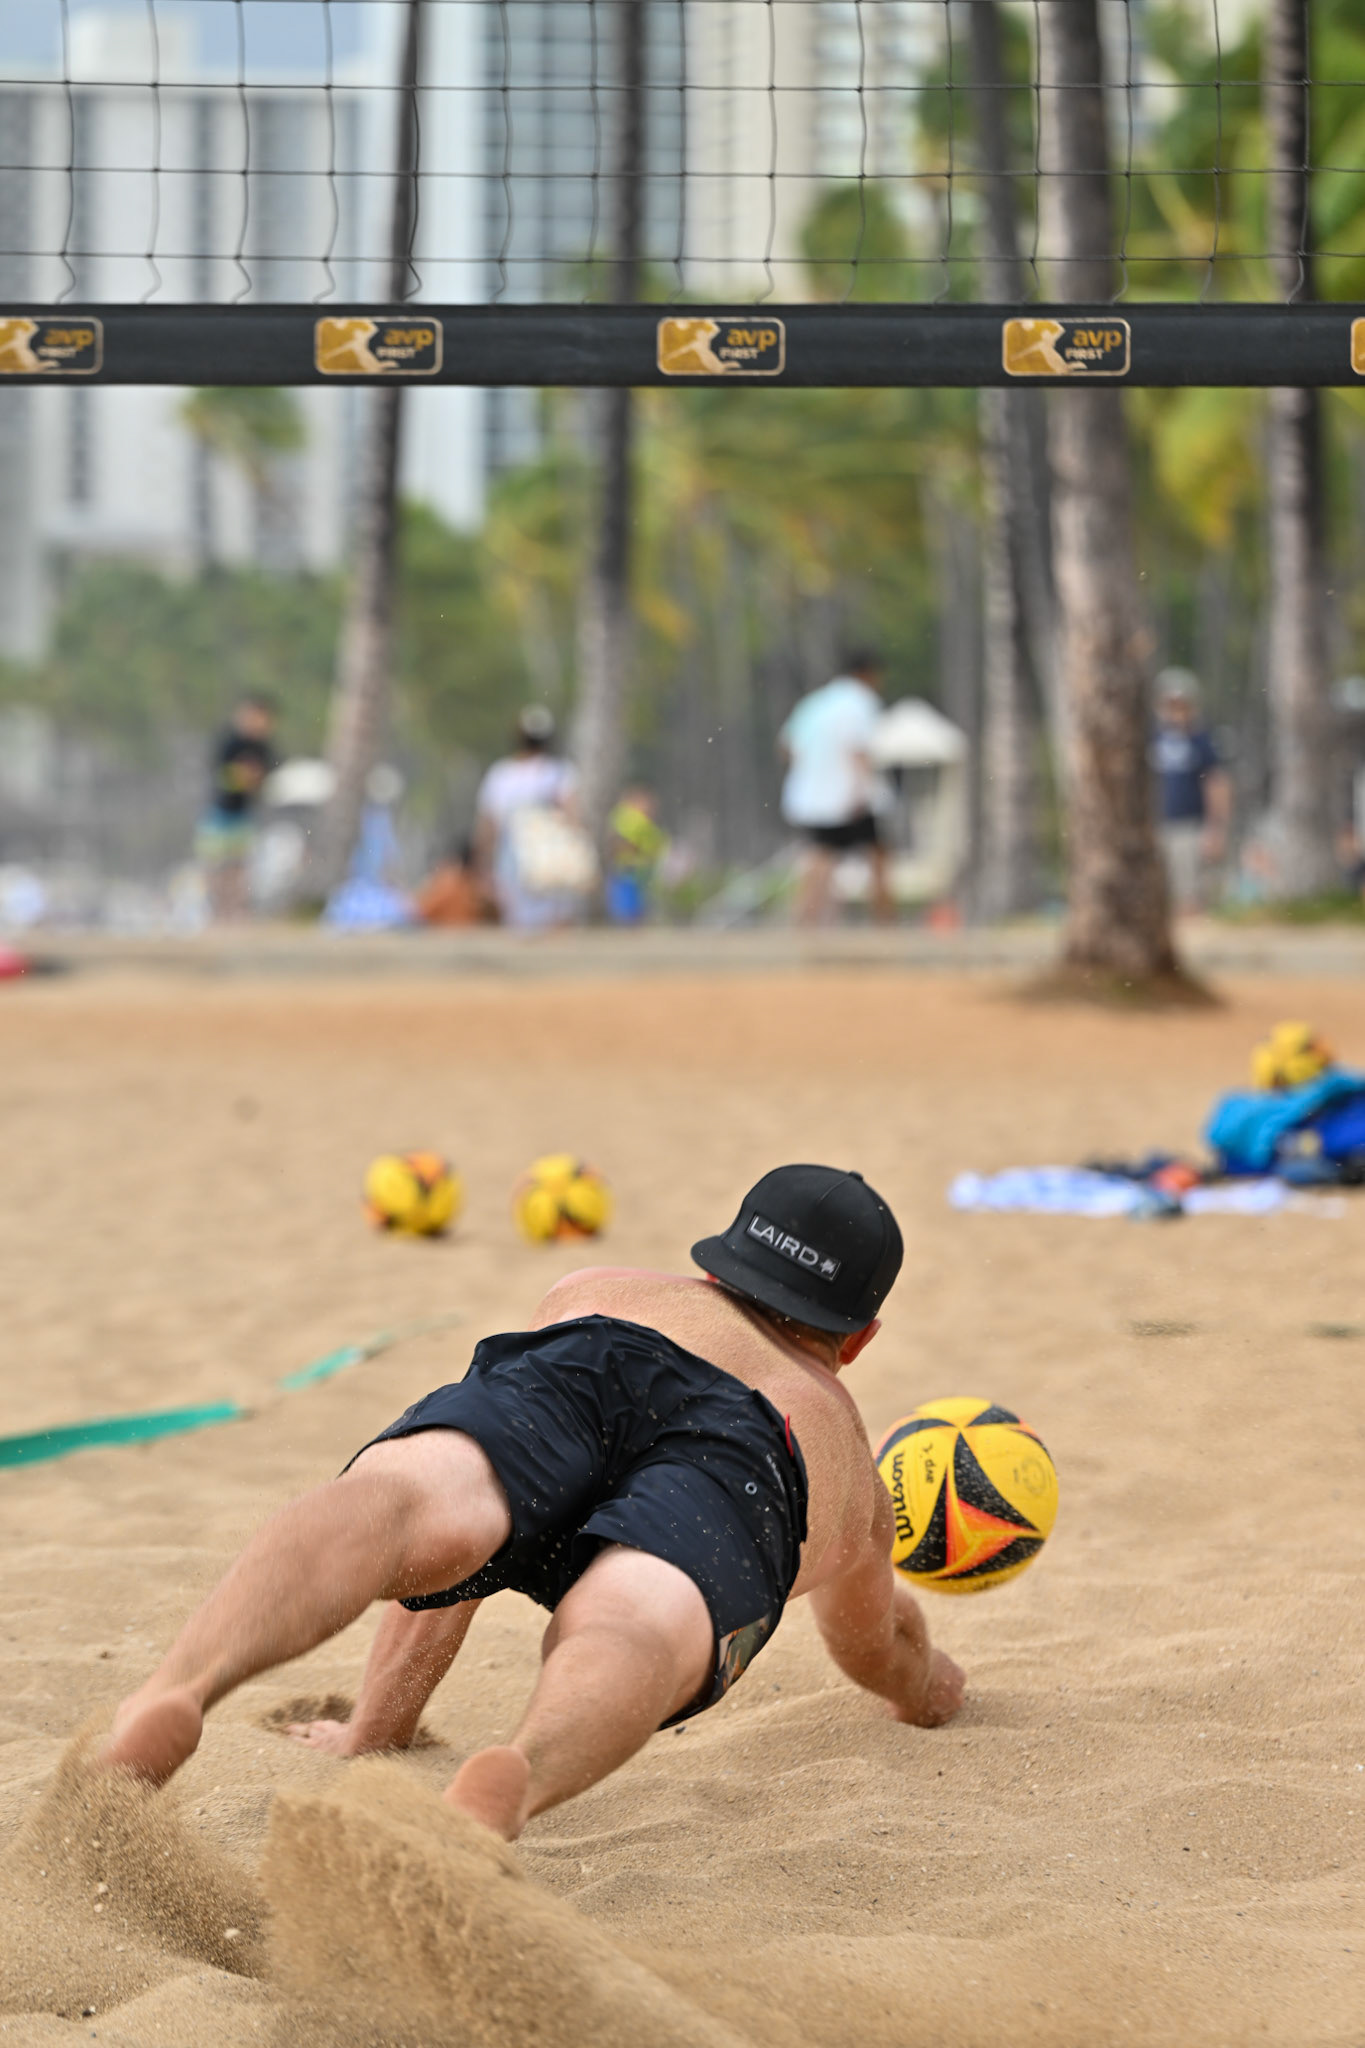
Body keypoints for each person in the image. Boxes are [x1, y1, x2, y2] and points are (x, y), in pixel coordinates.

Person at [99, 1164, 965, 1841]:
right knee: (634, 1620)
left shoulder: (594, 1290)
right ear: (859, 1338)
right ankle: (519, 1771)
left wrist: (378, 1727)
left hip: (597, 1355)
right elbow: (873, 1647)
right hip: (757, 1439)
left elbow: (463, 1565)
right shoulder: (843, 1457)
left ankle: (179, 1686)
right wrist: (926, 1687)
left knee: (412, 1500)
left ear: (717, 1259)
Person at [779, 651, 894, 926]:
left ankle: (804, 924)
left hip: (810, 799)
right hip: (849, 797)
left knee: (818, 862)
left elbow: (786, 746)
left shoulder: (815, 702)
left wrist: (814, 771)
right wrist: (863, 791)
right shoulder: (861, 702)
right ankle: (886, 927)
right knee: (878, 857)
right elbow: (859, 751)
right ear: (867, 674)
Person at [473, 707, 592, 930]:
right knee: (555, 925)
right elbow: (574, 816)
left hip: (511, 861)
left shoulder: (501, 775)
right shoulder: (559, 772)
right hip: (549, 862)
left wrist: (483, 867)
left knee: (520, 926)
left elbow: (487, 827)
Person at [1150, 670, 1230, 914]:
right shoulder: (1151, 739)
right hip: (1157, 824)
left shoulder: (1201, 741)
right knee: (1159, 890)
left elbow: (1216, 784)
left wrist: (1215, 828)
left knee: (1190, 890)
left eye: (1180, 705)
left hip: (1191, 825)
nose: (1175, 712)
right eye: (1170, 705)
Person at [196, 694, 279, 922]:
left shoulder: (263, 748)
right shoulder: (230, 742)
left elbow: (266, 778)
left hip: (244, 815)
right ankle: (217, 914)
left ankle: (236, 913)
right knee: (216, 867)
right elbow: (221, 775)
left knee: (239, 868)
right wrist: (245, 777)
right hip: (220, 813)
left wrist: (253, 779)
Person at [604, 786, 668, 925]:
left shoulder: (642, 820)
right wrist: (638, 849)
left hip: (640, 867)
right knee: (627, 902)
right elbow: (619, 841)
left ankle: (634, 922)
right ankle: (627, 923)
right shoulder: (628, 818)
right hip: (627, 867)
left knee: (638, 902)